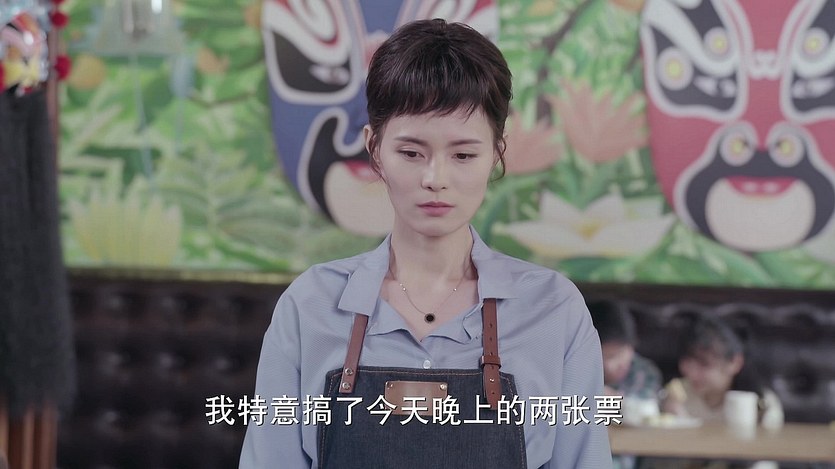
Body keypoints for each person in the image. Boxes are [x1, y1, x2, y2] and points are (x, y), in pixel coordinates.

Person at [240, 18, 612, 469]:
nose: (436, 178)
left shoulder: (554, 311)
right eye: (411, 153)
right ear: (374, 149)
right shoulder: (310, 306)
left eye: (463, 155)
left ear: (497, 153)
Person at [644, 316, 783, 469]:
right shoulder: (674, 397)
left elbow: (760, 458)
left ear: (735, 363)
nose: (692, 373)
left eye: (704, 364)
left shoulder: (762, 404)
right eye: (687, 362)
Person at [589, 301, 662, 401]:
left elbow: (645, 402)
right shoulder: (577, 371)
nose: (621, 363)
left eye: (623, 352)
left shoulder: (644, 372)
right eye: (610, 356)